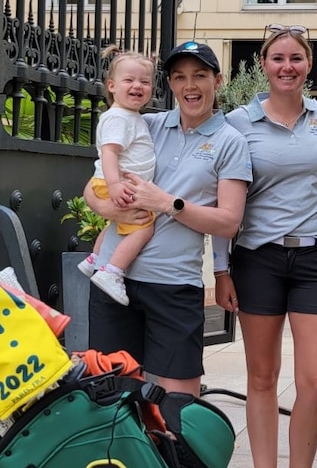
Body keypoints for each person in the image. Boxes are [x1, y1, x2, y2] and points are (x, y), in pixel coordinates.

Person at [84, 41, 252, 397]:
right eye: (180, 77)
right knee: (116, 400)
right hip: (115, 280)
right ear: (171, 85)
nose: (190, 85)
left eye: (200, 76)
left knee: (179, 405)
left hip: (173, 285)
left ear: (217, 80)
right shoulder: (145, 124)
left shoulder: (230, 142)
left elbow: (228, 222)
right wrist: (107, 207)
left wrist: (167, 203)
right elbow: (93, 185)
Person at [212, 24, 317, 468]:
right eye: (278, 59)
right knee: (263, 377)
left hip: (316, 258)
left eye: (296, 59)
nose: (287, 67)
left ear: (309, 64)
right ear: (263, 65)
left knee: (315, 383)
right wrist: (220, 269)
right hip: (258, 259)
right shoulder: (237, 123)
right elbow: (221, 199)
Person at [77, 46, 157, 307]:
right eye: (129, 80)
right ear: (111, 86)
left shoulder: (131, 117)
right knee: (144, 227)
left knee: (117, 224)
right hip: (118, 184)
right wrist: (114, 185)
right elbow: (109, 153)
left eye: (145, 81)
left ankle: (94, 259)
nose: (137, 86)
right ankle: (113, 272)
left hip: (117, 183)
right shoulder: (119, 118)